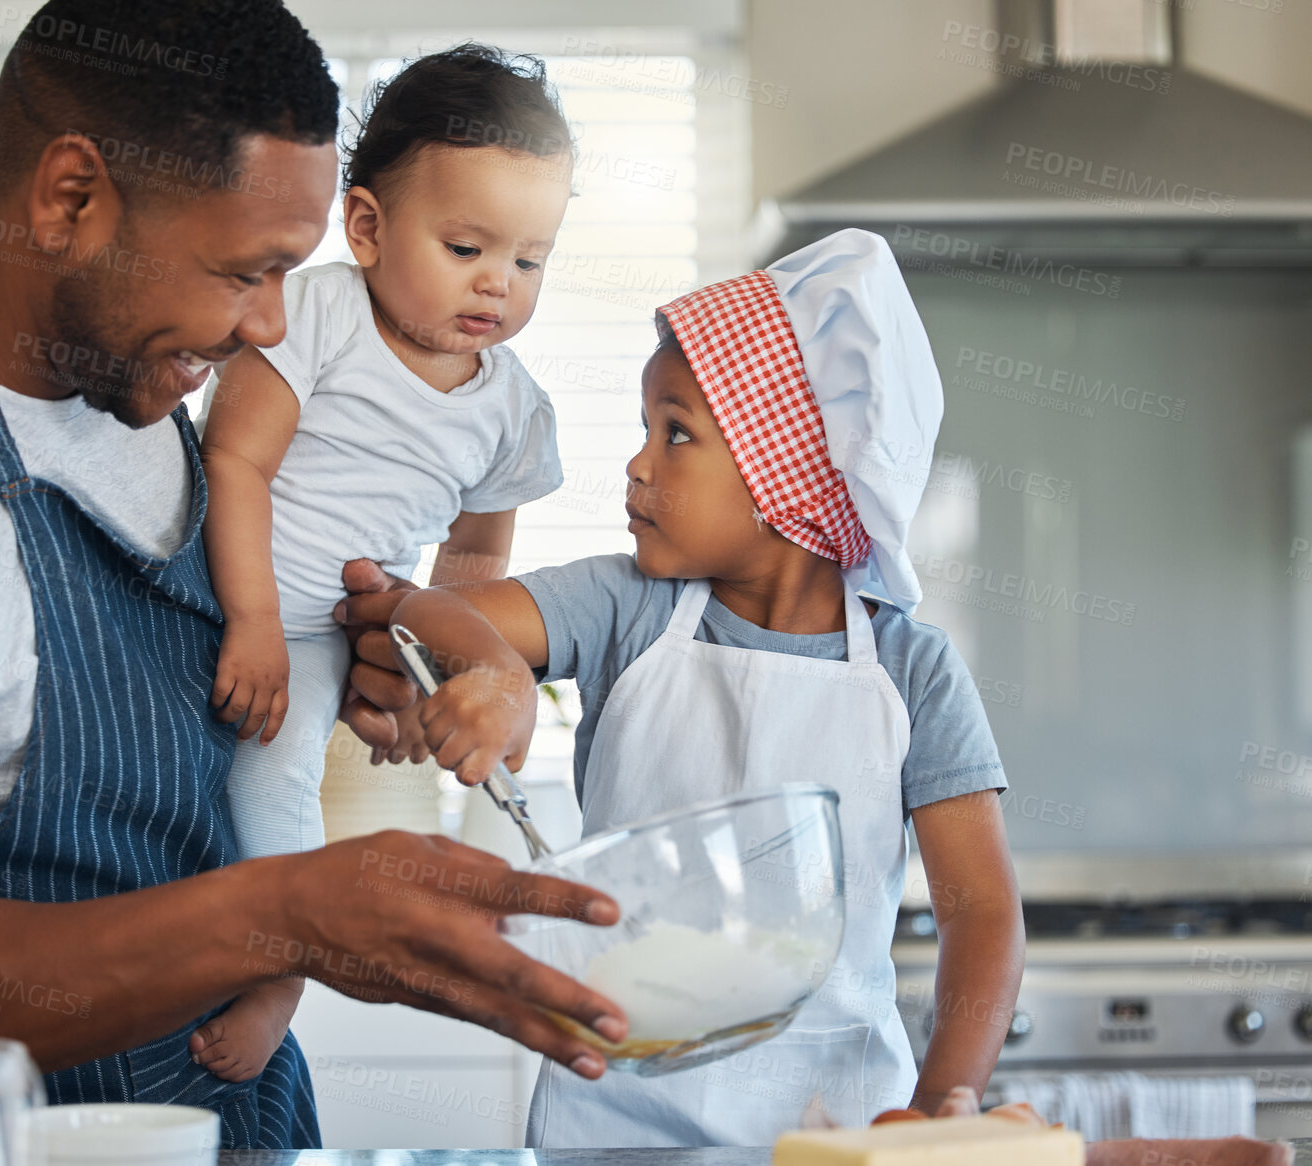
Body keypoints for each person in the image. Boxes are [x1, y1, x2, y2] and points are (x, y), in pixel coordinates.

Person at [0, 0, 629, 1149]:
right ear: (70, 198)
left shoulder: (117, 355)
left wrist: (369, 660)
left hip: (216, 1107)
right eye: (243, 272)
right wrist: (289, 917)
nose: (269, 325)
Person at [338, 229, 1027, 1146]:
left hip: (840, 1132)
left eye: (676, 433)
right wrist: (493, 671)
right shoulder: (623, 604)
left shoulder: (911, 670)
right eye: (643, 429)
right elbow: (403, 609)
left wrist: (943, 1108)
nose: (636, 464)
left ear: (789, 473)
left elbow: (979, 914)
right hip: (612, 1117)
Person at [186, 44, 573, 1082]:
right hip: (214, 591)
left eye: (530, 259)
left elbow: (477, 553)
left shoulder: (512, 408)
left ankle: (278, 978)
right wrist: (252, 618)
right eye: (463, 246)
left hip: (330, 632)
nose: (498, 280)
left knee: (274, 781)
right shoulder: (314, 316)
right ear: (365, 227)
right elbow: (234, 458)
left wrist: (423, 670)